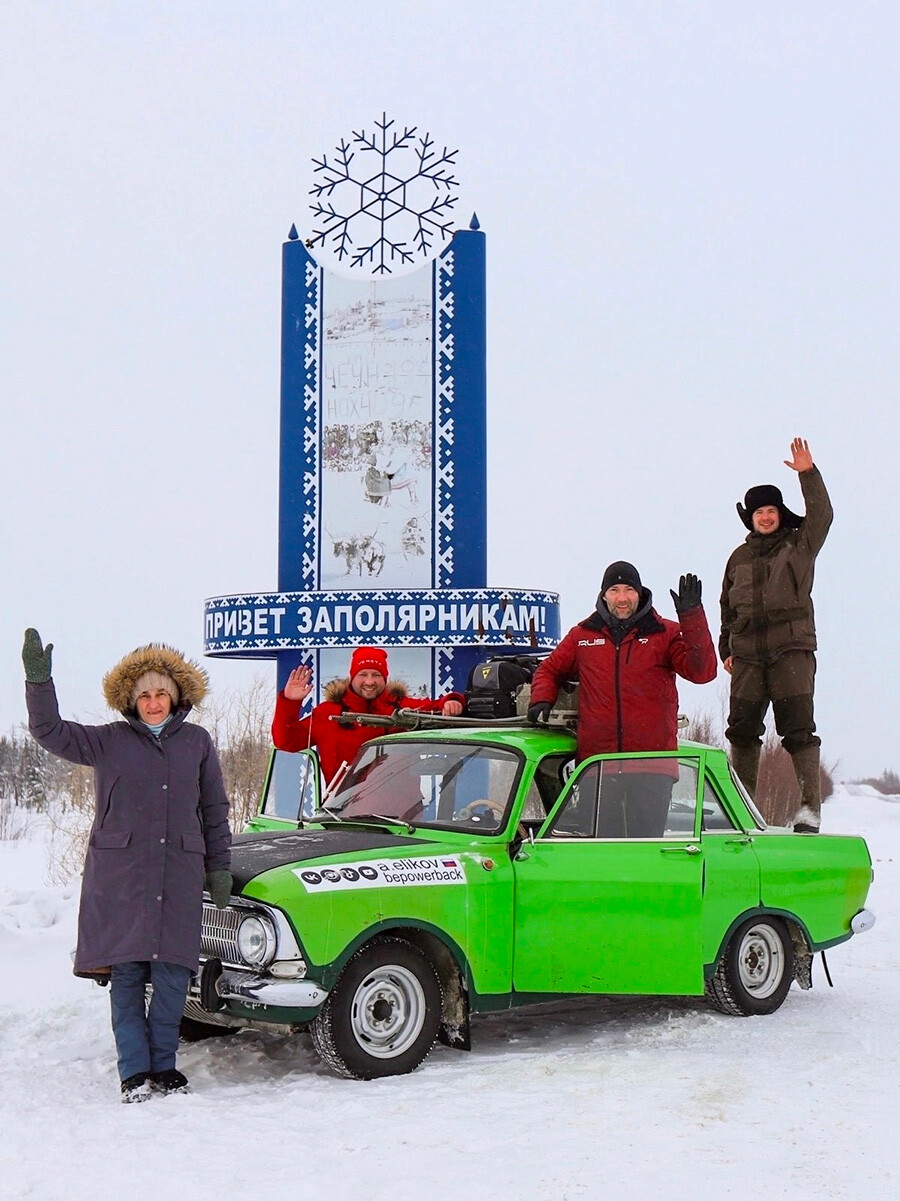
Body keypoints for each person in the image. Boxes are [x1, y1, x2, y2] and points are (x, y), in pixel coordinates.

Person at [23, 630, 233, 1104]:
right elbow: (49, 732)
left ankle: (165, 1066)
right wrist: (39, 685)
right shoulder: (108, 741)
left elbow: (215, 809)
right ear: (131, 700)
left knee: (174, 975)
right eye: (145, 695)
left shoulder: (197, 742)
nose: (154, 703)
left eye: (162, 694)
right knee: (128, 975)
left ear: (176, 697)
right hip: (122, 877)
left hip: (179, 871)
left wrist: (218, 865)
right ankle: (134, 1072)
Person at [527, 562, 717, 836]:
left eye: (629, 589)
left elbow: (703, 672)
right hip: (598, 767)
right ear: (604, 595)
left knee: (646, 854)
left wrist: (692, 617)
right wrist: (541, 697)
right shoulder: (583, 636)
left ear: (639, 593)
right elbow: (549, 669)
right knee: (601, 856)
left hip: (651, 767)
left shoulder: (665, 634)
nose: (622, 597)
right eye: (614, 590)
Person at [720, 437, 833, 833]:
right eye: (758, 512)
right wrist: (725, 650)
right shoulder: (738, 557)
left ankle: (809, 810)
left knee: (798, 730)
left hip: (791, 651)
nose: (765, 517)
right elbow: (727, 608)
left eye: (771, 510)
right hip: (748, 655)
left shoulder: (799, 546)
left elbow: (821, 516)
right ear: (750, 518)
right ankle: (744, 810)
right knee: (743, 730)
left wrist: (808, 475)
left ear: (780, 514)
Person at [271, 646, 465, 785]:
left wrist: (452, 701)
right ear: (352, 677)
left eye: (376, 675)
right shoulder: (328, 714)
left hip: (401, 817)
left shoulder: (401, 708)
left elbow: (436, 707)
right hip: (341, 813)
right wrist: (289, 702)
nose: (370, 681)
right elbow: (286, 741)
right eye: (363, 674)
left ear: (385, 678)